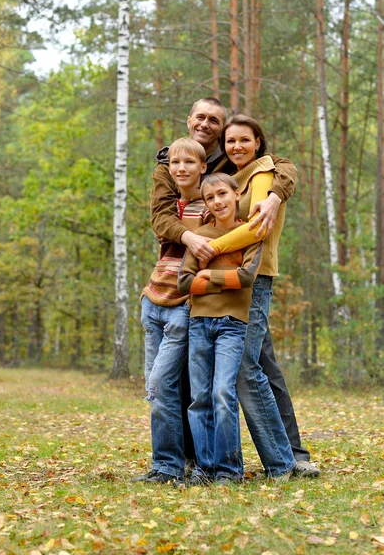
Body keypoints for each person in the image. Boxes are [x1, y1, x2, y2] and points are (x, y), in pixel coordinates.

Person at [151, 98, 319, 477]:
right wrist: (193, 242)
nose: (207, 125)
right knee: (201, 380)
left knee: (254, 367)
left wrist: (277, 195)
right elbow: (160, 218)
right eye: (201, 118)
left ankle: (289, 456)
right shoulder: (172, 166)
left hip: (242, 278)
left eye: (216, 121)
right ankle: (198, 460)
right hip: (188, 283)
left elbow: (284, 167)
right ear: (189, 120)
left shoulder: (241, 169)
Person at [178, 173, 290, 484]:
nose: (218, 201)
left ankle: (229, 470)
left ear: (235, 193)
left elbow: (245, 278)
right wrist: (220, 279)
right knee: (199, 398)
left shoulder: (250, 233)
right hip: (199, 323)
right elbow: (184, 282)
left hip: (232, 326)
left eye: (222, 194)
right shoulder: (200, 236)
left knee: (222, 394)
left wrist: (207, 276)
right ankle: (205, 468)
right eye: (210, 198)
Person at [135, 138, 207, 485]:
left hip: (181, 307)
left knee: (161, 384)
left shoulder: (209, 207)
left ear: (203, 168)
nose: (181, 168)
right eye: (175, 163)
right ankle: (164, 464)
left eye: (189, 162)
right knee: (157, 390)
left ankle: (171, 466)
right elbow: (163, 237)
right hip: (154, 301)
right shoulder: (168, 208)